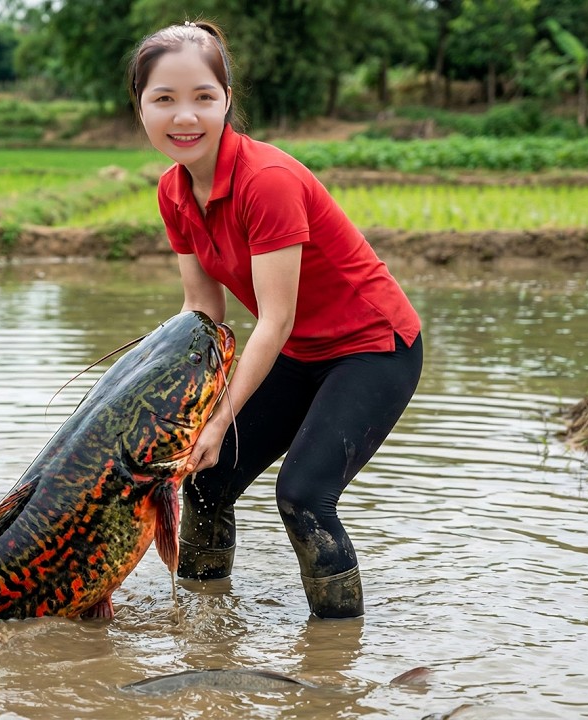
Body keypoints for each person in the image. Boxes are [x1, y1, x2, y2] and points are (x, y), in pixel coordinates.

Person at [126, 20, 423, 619]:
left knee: (305, 495)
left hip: (371, 346)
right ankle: (204, 622)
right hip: (298, 350)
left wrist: (218, 421)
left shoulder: (268, 182)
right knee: (206, 479)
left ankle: (336, 655)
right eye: (164, 99)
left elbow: (274, 320)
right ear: (141, 107)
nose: (185, 116)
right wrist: (159, 399)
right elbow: (202, 311)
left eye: (203, 98)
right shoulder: (173, 190)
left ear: (226, 101)